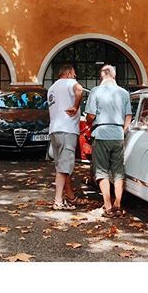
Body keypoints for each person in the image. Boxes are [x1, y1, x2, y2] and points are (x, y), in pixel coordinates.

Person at [85, 65, 132, 218]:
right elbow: (129, 116)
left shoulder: (96, 91)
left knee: (102, 171)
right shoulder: (124, 93)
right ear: (114, 76)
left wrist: (89, 122)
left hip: (101, 133)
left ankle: (108, 205)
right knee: (118, 171)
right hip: (118, 134)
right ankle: (118, 204)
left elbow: (91, 115)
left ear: (102, 77)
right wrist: (123, 131)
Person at [47, 64, 84, 210]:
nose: (75, 77)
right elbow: (79, 89)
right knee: (64, 168)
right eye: (74, 74)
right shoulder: (70, 83)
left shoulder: (52, 88)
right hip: (67, 129)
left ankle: (69, 196)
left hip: (54, 130)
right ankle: (58, 201)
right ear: (68, 74)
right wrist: (75, 105)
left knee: (61, 166)